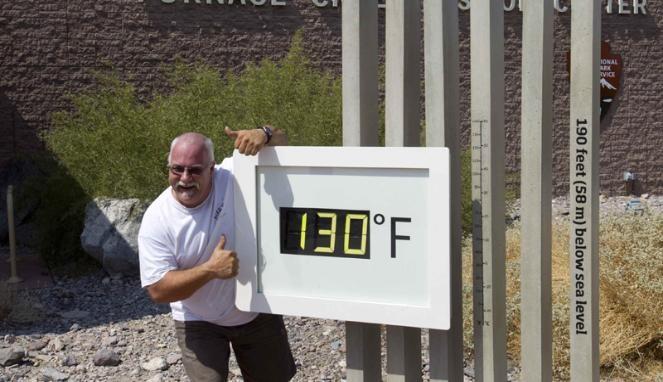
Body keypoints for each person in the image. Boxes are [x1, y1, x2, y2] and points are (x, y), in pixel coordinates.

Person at [138, 126, 295, 382]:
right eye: (177, 168)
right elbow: (158, 290)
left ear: (212, 168)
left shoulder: (234, 174)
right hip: (198, 318)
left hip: (256, 308)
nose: (185, 178)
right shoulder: (157, 220)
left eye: (195, 169)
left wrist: (265, 134)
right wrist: (210, 270)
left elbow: (283, 142)